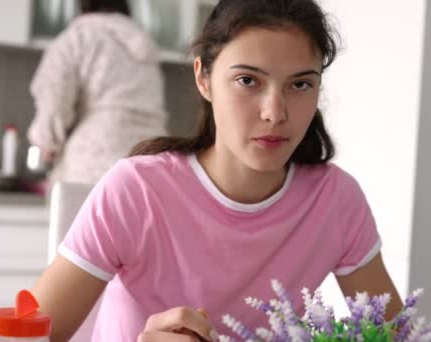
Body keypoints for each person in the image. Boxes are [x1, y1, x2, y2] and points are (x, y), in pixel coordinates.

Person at [31, 0, 403, 341]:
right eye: (248, 81)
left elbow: (398, 335)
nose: (275, 113)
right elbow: (19, 337)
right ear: (204, 78)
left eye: (300, 84)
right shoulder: (136, 189)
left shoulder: (336, 202)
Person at [27, 0, 168, 186]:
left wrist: (46, 144)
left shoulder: (77, 38)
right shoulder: (145, 45)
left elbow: (53, 106)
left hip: (93, 166)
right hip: (151, 160)